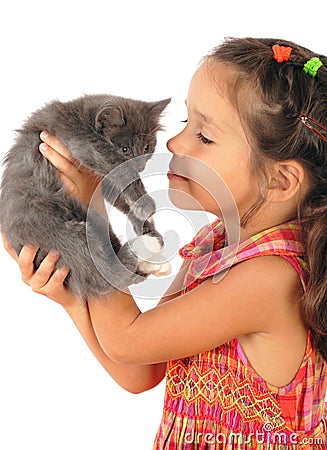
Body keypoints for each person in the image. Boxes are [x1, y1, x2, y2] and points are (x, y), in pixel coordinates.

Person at [3, 37, 327, 448]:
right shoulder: (216, 245)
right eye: (183, 125)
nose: (174, 144)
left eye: (204, 136)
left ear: (280, 181)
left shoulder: (269, 278)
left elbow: (126, 338)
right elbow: (140, 369)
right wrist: (73, 301)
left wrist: (95, 215)